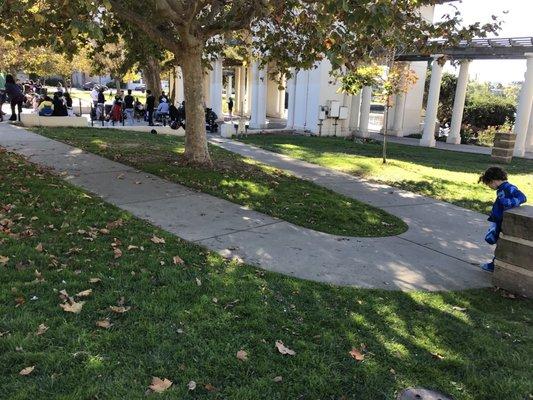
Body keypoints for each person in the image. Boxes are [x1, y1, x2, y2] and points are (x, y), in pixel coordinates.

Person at [478, 167, 527, 272]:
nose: (489, 187)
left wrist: (508, 202)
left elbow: (522, 197)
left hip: (503, 222)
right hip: (498, 220)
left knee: (501, 244)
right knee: (494, 240)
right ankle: (495, 263)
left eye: (488, 184)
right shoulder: (501, 188)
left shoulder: (509, 188)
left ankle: (495, 265)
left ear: (493, 181)